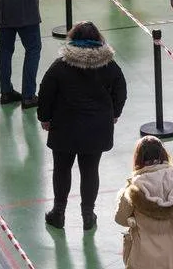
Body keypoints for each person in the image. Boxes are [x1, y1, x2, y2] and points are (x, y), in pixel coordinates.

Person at [38, 21, 127, 231]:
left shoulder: (61, 65)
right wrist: (114, 113)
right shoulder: (109, 65)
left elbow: (46, 92)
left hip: (64, 127)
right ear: (99, 39)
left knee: (61, 169)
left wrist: (45, 117)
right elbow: (121, 91)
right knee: (90, 170)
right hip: (96, 129)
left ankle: (58, 213)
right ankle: (88, 214)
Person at [115, 137, 173, 269]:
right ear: (164, 155)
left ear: (138, 159)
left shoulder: (134, 189)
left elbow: (120, 219)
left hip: (145, 259)